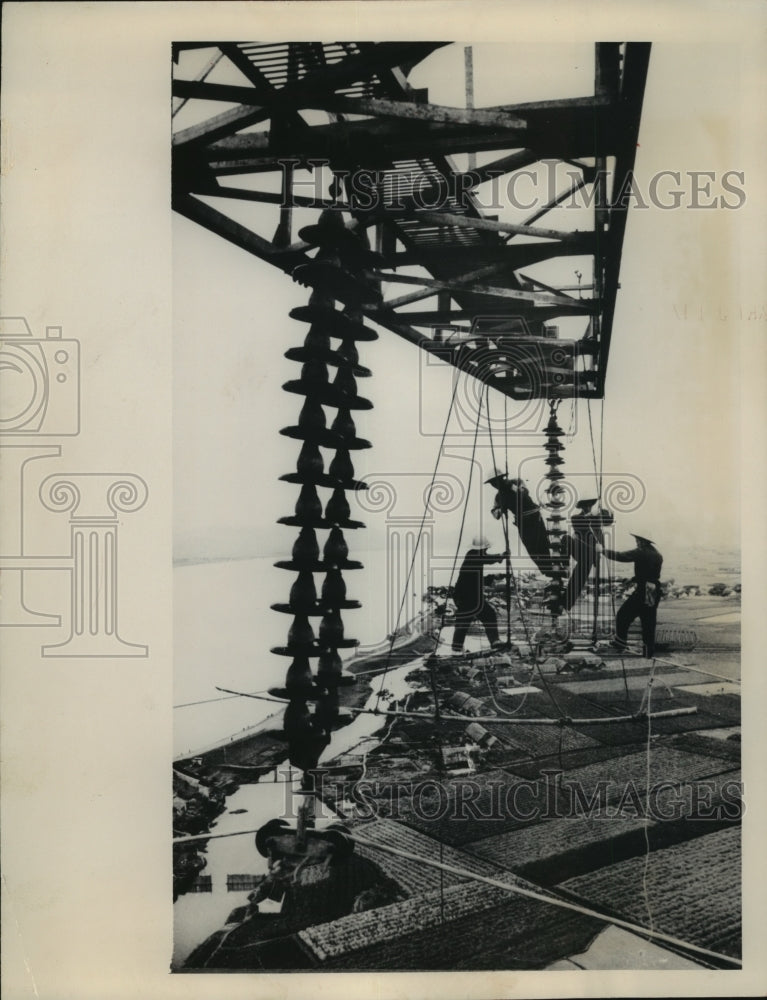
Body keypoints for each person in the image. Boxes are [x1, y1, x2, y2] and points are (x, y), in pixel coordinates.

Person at [599, 532, 663, 657]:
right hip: (653, 590)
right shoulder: (657, 554)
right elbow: (649, 573)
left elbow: (621, 556)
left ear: (643, 541)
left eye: (637, 540)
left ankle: (620, 643)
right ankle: (648, 650)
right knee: (648, 621)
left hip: (643, 591)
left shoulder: (641, 552)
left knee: (623, 616)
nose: (636, 542)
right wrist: (633, 579)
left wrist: (603, 551)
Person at [451, 535, 508, 652]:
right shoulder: (472, 555)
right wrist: (500, 556)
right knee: (465, 620)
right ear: (482, 548)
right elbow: (484, 559)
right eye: (485, 549)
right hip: (465, 596)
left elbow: (477, 579)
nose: (486, 551)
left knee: (487, 615)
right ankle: (457, 648)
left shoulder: (475, 559)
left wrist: (494, 576)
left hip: (470, 595)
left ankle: (494, 641)